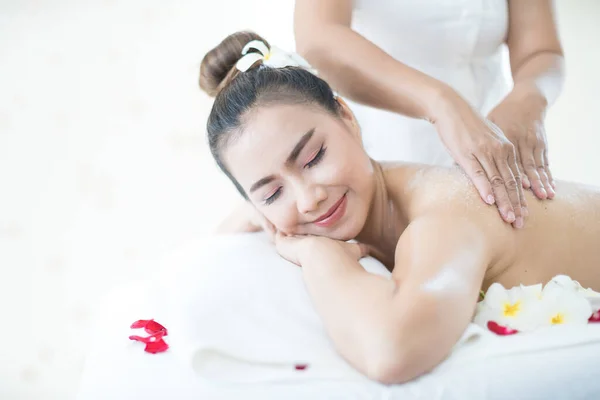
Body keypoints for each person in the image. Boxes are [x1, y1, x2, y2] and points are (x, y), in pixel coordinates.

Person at [198, 32, 600, 384]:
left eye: (314, 156)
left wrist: (315, 253)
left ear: (347, 116)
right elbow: (216, 251)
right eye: (271, 194)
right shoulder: (332, 208)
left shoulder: (443, 217)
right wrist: (263, 214)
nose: (308, 199)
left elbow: (390, 352)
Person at [294, 0, 565, 229]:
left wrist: (527, 100)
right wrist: (441, 104)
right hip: (385, 162)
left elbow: (541, 51)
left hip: (499, 151)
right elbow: (318, 38)